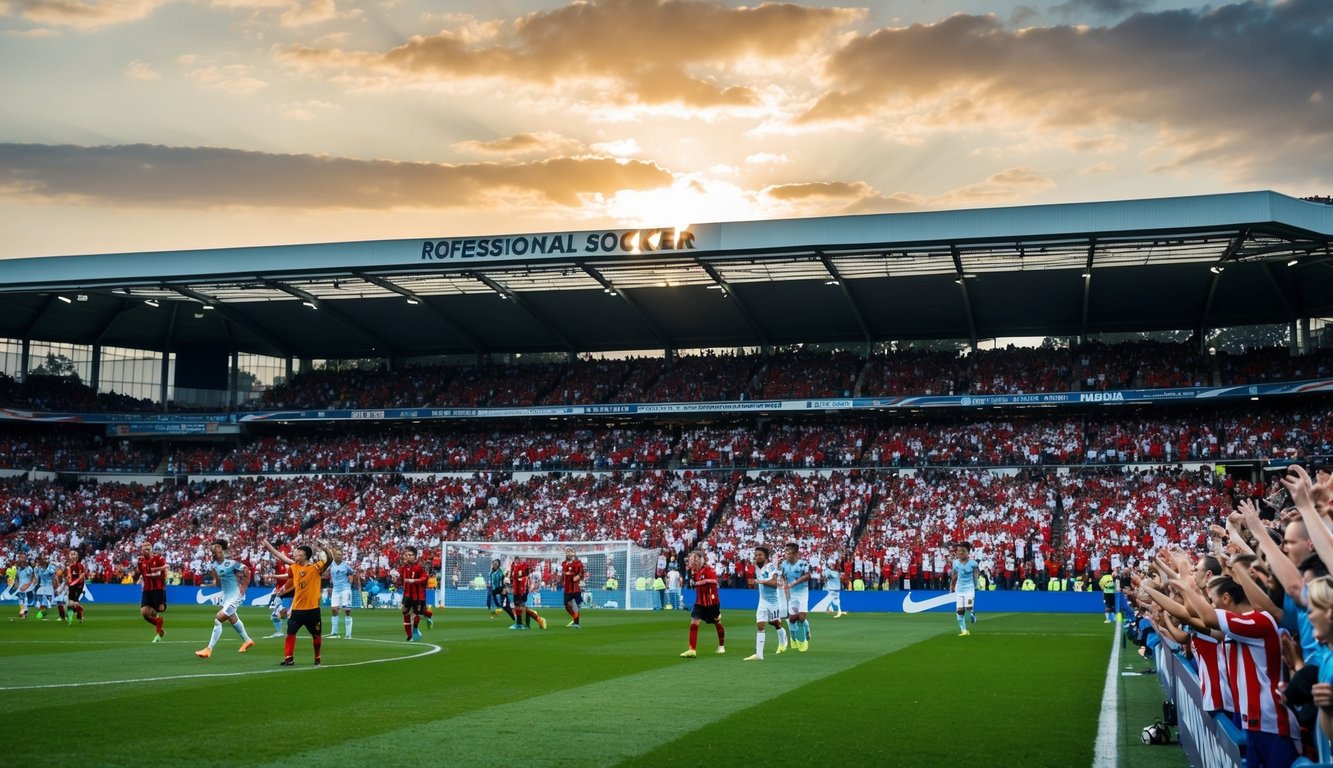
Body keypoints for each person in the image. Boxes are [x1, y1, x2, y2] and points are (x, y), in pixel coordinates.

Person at [263, 537, 331, 667]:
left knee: (316, 636)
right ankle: (289, 658)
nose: (295, 555)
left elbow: (329, 559)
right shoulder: (294, 567)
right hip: (297, 610)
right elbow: (283, 559)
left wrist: (325, 548)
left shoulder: (316, 568)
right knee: (290, 632)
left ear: (306, 557)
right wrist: (268, 546)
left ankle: (317, 658)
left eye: (299, 554)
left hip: (312, 610)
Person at [195, 538, 255, 658]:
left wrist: (243, 587)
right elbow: (218, 583)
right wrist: (210, 582)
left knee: (218, 619)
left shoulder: (231, 563)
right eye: (212, 547)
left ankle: (208, 649)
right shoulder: (215, 566)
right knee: (233, 619)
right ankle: (247, 640)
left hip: (236, 596)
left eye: (215, 547)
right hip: (227, 597)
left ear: (220, 549)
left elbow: (247, 571)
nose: (213, 549)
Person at [745, 546, 788, 661]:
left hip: (773, 601)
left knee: (775, 623)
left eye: (760, 555)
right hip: (762, 601)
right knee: (760, 625)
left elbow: (775, 583)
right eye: (756, 555)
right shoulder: (757, 569)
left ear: (765, 557)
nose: (757, 557)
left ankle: (783, 640)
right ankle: (759, 655)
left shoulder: (770, 567)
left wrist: (760, 581)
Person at [680, 549, 724, 658]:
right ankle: (692, 650)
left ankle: (721, 646)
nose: (693, 561)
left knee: (717, 622)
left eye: (695, 559)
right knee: (694, 624)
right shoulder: (693, 571)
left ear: (701, 560)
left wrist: (701, 582)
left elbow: (714, 581)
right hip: (699, 602)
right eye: (692, 559)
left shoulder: (709, 569)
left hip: (712, 602)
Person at [780, 542, 812, 652]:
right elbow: (783, 576)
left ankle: (806, 630)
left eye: (789, 552)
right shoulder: (784, 564)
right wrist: (786, 588)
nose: (786, 554)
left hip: (802, 592)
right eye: (786, 552)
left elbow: (808, 576)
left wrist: (793, 583)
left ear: (795, 553)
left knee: (801, 617)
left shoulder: (803, 563)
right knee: (793, 618)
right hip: (792, 593)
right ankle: (793, 636)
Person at [399, 546, 434, 641]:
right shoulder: (403, 568)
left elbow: (424, 578)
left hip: (418, 596)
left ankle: (428, 616)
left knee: (418, 614)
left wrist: (414, 581)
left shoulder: (419, 567)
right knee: (405, 613)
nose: (407, 557)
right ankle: (409, 636)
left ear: (415, 557)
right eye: (406, 555)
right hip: (407, 595)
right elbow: (402, 580)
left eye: (409, 555)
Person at [136, 542, 168, 642]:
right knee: (144, 612)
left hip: (157, 589)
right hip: (146, 590)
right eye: (143, 549)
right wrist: (141, 576)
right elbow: (142, 572)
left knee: (155, 611)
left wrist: (162, 582)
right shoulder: (141, 561)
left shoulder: (158, 558)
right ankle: (159, 624)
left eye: (147, 549)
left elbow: (164, 571)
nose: (145, 551)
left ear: (150, 549)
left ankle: (159, 634)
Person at [326, 548, 360, 639]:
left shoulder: (346, 566)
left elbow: (351, 573)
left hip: (345, 589)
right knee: (334, 610)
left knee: (347, 610)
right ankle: (334, 633)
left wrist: (351, 580)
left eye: (340, 555)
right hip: (336, 590)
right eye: (337, 554)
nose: (339, 556)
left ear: (342, 556)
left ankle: (348, 635)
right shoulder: (331, 565)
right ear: (335, 556)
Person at [508, 557, 546, 630]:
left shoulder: (524, 566)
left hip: (521, 590)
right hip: (518, 589)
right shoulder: (514, 565)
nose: (516, 560)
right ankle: (523, 623)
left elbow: (523, 577)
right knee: (519, 606)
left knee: (520, 606)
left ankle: (536, 619)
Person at [951, 542, 979, 636]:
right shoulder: (955, 563)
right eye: (958, 551)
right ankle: (964, 631)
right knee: (960, 610)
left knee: (968, 607)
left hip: (969, 588)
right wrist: (951, 585)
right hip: (959, 589)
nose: (960, 553)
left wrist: (976, 586)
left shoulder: (973, 563)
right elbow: (954, 576)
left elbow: (975, 576)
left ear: (968, 552)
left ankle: (972, 613)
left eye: (962, 551)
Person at [265, 560, 293, 638]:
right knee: (283, 614)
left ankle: (281, 632)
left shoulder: (287, 568)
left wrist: (273, 576)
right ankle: (285, 632)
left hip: (284, 595)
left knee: (276, 615)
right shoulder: (280, 568)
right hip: (281, 594)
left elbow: (286, 576)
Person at [561, 547, 585, 628]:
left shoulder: (577, 563)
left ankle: (576, 623)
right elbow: (563, 574)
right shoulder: (564, 564)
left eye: (570, 553)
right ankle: (575, 618)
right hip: (567, 589)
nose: (569, 554)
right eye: (567, 552)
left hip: (575, 588)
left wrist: (578, 576)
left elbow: (581, 573)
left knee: (575, 605)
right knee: (566, 605)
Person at [63, 549, 87, 625]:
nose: (72, 555)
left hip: (77, 587)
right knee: (70, 604)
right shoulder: (68, 566)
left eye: (74, 554)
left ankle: (75, 615)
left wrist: (79, 587)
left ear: (77, 557)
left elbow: (80, 578)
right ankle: (77, 613)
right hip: (70, 587)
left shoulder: (79, 566)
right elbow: (67, 578)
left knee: (73, 603)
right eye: (71, 554)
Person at [33, 553, 57, 620]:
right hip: (42, 586)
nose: (44, 560)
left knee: (47, 603)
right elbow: (36, 577)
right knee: (44, 602)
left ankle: (42, 615)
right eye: (42, 559)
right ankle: (41, 615)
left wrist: (56, 584)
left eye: (45, 559)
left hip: (49, 586)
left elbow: (53, 575)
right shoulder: (37, 568)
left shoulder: (51, 567)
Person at [14, 553, 35, 620]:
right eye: (21, 557)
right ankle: (23, 613)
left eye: (24, 558)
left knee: (24, 599)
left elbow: (32, 578)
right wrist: (16, 584)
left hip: (27, 587)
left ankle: (25, 612)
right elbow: (16, 577)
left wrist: (29, 585)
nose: (22, 559)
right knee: (20, 601)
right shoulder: (18, 569)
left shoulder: (29, 568)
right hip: (20, 587)